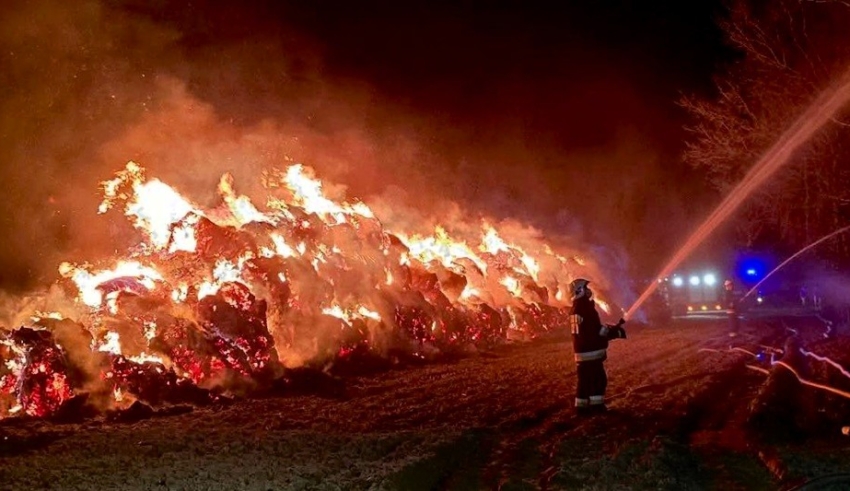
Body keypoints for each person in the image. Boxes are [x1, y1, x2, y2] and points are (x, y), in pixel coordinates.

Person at [568, 278, 626, 415]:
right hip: (591, 351)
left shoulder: (575, 309)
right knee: (598, 379)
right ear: (579, 291)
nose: (589, 290)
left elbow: (587, 329)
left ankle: (581, 408)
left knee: (584, 381)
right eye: (586, 288)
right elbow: (594, 331)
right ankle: (597, 407)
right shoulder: (586, 308)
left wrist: (608, 329)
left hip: (581, 352)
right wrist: (613, 332)